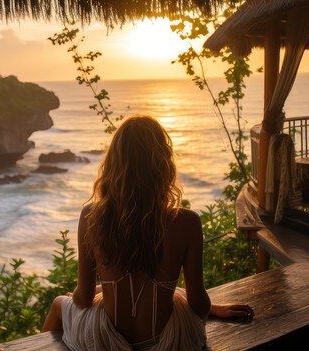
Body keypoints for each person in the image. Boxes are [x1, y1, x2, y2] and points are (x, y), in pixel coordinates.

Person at [42, 115, 254, 350]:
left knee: (59, 303)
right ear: (163, 163)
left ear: (113, 163)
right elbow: (198, 306)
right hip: (167, 341)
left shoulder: (91, 216)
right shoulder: (187, 222)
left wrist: (74, 294)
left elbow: (83, 299)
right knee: (171, 292)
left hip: (106, 341)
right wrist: (211, 307)